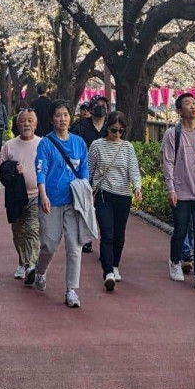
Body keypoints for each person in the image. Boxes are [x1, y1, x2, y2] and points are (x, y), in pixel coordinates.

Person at [34, 99, 89, 308]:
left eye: (65, 115)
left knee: (74, 246)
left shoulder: (79, 143)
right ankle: (40, 271)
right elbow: (41, 170)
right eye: (58, 115)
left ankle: (71, 290)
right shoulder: (46, 144)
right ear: (51, 119)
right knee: (49, 245)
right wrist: (43, 195)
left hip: (73, 202)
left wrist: (84, 190)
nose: (62, 119)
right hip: (51, 201)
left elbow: (84, 169)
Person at [161, 92, 195, 292]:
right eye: (187, 103)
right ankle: (175, 261)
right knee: (180, 230)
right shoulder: (172, 134)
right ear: (179, 110)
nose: (192, 106)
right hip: (181, 191)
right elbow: (168, 162)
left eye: (194, 103)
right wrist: (171, 189)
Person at [89, 111, 142, 291]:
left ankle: (115, 264)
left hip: (123, 195)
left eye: (121, 130)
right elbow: (89, 169)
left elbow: (133, 169)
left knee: (119, 234)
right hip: (104, 194)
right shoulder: (97, 145)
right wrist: (87, 190)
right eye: (113, 130)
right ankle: (108, 272)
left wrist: (137, 187)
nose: (117, 134)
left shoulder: (127, 147)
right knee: (107, 234)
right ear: (107, 128)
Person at [0, 109, 41, 283]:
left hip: (36, 195)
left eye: (30, 121)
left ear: (35, 124)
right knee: (18, 232)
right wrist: (11, 168)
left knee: (33, 230)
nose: (26, 124)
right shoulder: (9, 145)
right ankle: (23, 262)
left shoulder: (42, 144)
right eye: (23, 121)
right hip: (15, 196)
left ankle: (31, 265)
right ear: (17, 124)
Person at [72, 95, 108, 252]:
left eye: (104, 105)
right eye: (98, 105)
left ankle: (105, 241)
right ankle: (86, 237)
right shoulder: (80, 126)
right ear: (91, 109)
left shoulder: (110, 127)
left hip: (105, 173)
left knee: (103, 208)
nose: (101, 108)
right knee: (86, 205)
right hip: (84, 171)